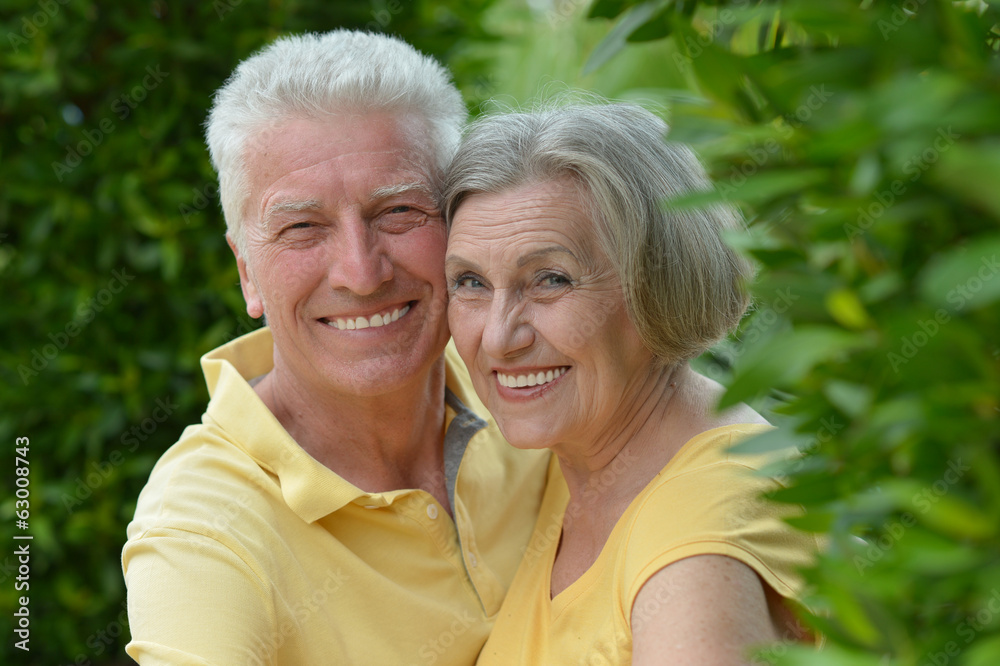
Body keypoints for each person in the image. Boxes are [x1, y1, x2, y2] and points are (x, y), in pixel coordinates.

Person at [121, 30, 549, 665]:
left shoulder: (536, 380)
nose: (361, 272)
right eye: (302, 227)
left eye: (398, 211)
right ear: (247, 274)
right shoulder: (205, 532)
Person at [442, 101, 819, 665]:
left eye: (550, 279)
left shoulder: (694, 560)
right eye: (470, 282)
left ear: (657, 284)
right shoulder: (583, 454)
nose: (497, 338)